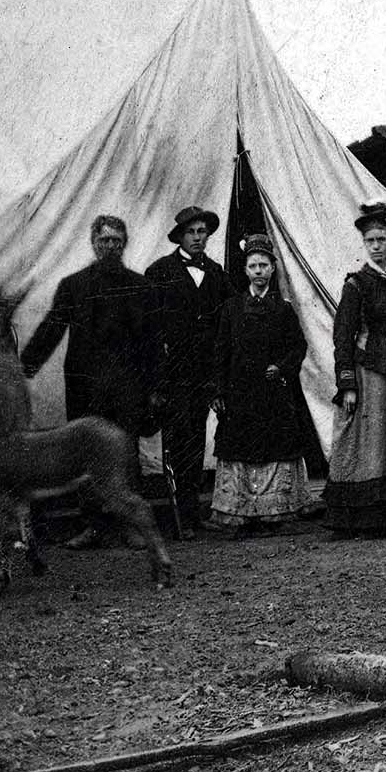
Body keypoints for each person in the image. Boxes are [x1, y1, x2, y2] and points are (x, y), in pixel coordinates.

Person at [20, 214, 155, 550]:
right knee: (86, 454)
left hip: (127, 386)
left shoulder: (140, 287)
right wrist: (23, 369)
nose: (110, 246)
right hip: (85, 385)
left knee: (126, 453)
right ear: (93, 244)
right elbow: (51, 329)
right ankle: (93, 526)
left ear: (124, 244)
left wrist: (155, 388)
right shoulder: (73, 286)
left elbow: (153, 342)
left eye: (116, 241)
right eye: (104, 240)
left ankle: (132, 527)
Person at [208, 234, 319, 536]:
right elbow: (220, 351)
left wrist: (281, 367)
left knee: (274, 445)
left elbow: (298, 346)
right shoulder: (231, 308)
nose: (258, 271)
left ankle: (274, 514)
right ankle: (241, 515)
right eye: (252, 266)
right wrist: (218, 390)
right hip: (239, 392)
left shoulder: (283, 309)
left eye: (263, 265)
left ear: (272, 269)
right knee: (240, 448)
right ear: (245, 271)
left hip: (272, 393)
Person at [324, 201, 386, 535]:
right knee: (367, 443)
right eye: (370, 242)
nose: (376, 247)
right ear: (364, 245)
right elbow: (342, 335)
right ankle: (361, 519)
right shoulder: (356, 284)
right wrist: (347, 383)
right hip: (368, 373)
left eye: (381, 240)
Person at [145, 205, 234, 540]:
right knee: (176, 443)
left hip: (204, 375)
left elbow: (229, 321)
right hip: (172, 375)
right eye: (192, 232)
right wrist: (156, 379)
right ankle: (175, 519)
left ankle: (191, 514)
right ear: (180, 236)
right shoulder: (159, 272)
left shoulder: (216, 273)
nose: (198, 238)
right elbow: (149, 331)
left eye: (202, 232)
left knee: (196, 442)